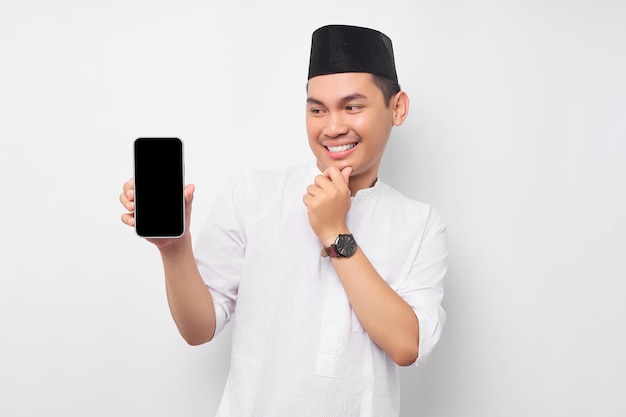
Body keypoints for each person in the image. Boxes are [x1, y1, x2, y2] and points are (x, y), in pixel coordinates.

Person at [120, 24, 447, 417]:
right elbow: (198, 329)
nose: (332, 126)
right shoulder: (253, 195)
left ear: (397, 108)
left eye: (352, 106)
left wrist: (335, 231)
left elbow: (405, 345)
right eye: (317, 109)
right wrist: (174, 248)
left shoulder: (421, 224)